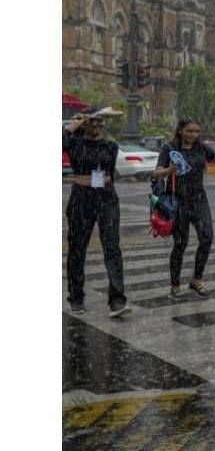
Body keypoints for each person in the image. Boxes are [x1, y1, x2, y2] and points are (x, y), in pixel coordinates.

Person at [153, 119, 215, 299]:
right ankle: (175, 285)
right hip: (178, 201)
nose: (193, 135)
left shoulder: (201, 148)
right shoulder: (170, 148)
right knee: (180, 244)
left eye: (197, 131)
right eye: (190, 131)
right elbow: (156, 172)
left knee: (207, 237)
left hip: (199, 199)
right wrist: (168, 170)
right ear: (181, 131)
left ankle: (197, 280)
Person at [63, 112, 131, 317]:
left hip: (106, 197)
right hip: (81, 198)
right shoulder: (74, 144)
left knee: (112, 247)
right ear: (83, 124)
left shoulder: (110, 146)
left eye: (100, 122)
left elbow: (108, 171)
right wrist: (71, 127)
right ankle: (76, 297)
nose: (98, 126)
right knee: (77, 248)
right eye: (93, 122)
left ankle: (117, 300)